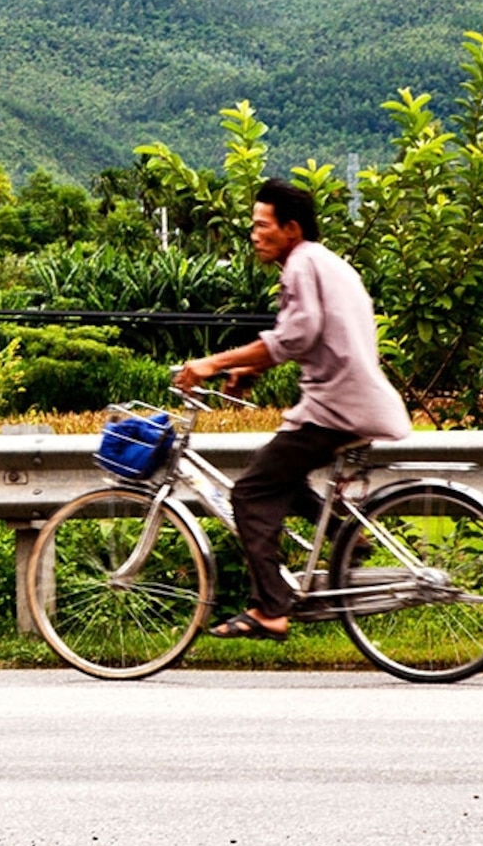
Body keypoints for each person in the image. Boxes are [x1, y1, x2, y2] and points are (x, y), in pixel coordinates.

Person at [169, 177, 413, 641]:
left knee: (250, 494)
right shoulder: (322, 262)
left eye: (263, 225)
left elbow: (297, 335)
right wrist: (250, 371)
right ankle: (348, 537)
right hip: (347, 400)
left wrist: (212, 363)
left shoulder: (301, 265)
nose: (254, 234)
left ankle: (269, 608)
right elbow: (310, 335)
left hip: (337, 407)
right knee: (281, 476)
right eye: (253, 225)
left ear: (292, 229)